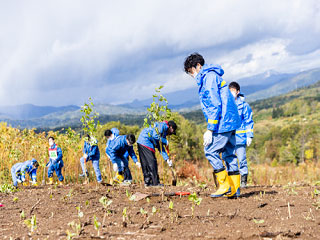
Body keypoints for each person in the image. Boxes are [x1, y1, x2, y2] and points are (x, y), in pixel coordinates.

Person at [184, 53, 241, 198]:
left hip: (223, 121)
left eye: (191, 71)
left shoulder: (208, 78)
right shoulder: (212, 75)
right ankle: (235, 189)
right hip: (231, 120)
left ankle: (224, 185)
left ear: (198, 66)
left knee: (210, 150)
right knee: (229, 153)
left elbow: (214, 104)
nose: (192, 75)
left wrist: (210, 129)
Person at [229, 82, 254, 188]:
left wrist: (249, 135)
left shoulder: (244, 106)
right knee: (230, 160)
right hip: (228, 138)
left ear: (238, 92)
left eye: (233, 91)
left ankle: (243, 181)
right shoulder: (227, 104)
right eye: (229, 91)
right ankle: (232, 181)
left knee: (242, 159)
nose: (231, 93)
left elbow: (249, 121)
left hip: (240, 138)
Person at [137, 120, 177, 186]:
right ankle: (155, 183)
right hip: (146, 141)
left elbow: (160, 147)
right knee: (152, 163)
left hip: (140, 141)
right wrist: (165, 141)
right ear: (171, 127)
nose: (170, 134)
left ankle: (148, 183)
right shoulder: (163, 125)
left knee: (145, 163)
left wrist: (167, 160)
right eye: (172, 132)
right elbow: (155, 136)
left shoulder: (162, 133)